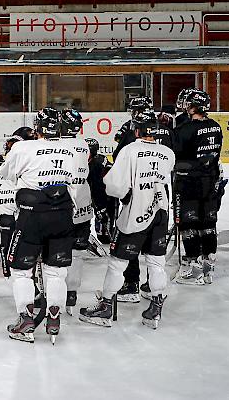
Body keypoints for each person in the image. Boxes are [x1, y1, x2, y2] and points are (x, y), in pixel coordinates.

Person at [79, 111, 175, 329]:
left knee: (117, 263)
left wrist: (125, 195)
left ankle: (105, 307)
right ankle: (156, 308)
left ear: (137, 130)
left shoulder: (129, 151)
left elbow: (114, 185)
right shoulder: (167, 152)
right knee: (156, 262)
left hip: (135, 214)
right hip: (160, 211)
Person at [0, 107, 77, 344]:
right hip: (62, 213)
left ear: (37, 128)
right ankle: (54, 317)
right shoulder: (70, 149)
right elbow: (72, 179)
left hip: (32, 215)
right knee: (56, 271)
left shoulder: (23, 147)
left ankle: (25, 320)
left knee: (22, 271)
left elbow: (6, 174)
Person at [173, 89, 223, 285]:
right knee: (208, 224)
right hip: (211, 183)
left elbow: (175, 154)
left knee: (189, 225)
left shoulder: (186, 130)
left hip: (190, 184)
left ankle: (194, 268)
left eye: (188, 103)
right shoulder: (216, 127)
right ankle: (208, 267)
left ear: (193, 106)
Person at [60, 108, 93, 316]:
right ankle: (71, 293)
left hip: (62, 205)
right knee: (78, 253)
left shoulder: (57, 145)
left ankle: (54, 294)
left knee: (54, 252)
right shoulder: (83, 144)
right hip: (83, 203)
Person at [86, 137, 114, 245]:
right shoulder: (100, 158)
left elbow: (98, 187)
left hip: (107, 192)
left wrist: (100, 207)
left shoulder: (95, 164)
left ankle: (105, 236)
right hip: (108, 190)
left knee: (104, 215)